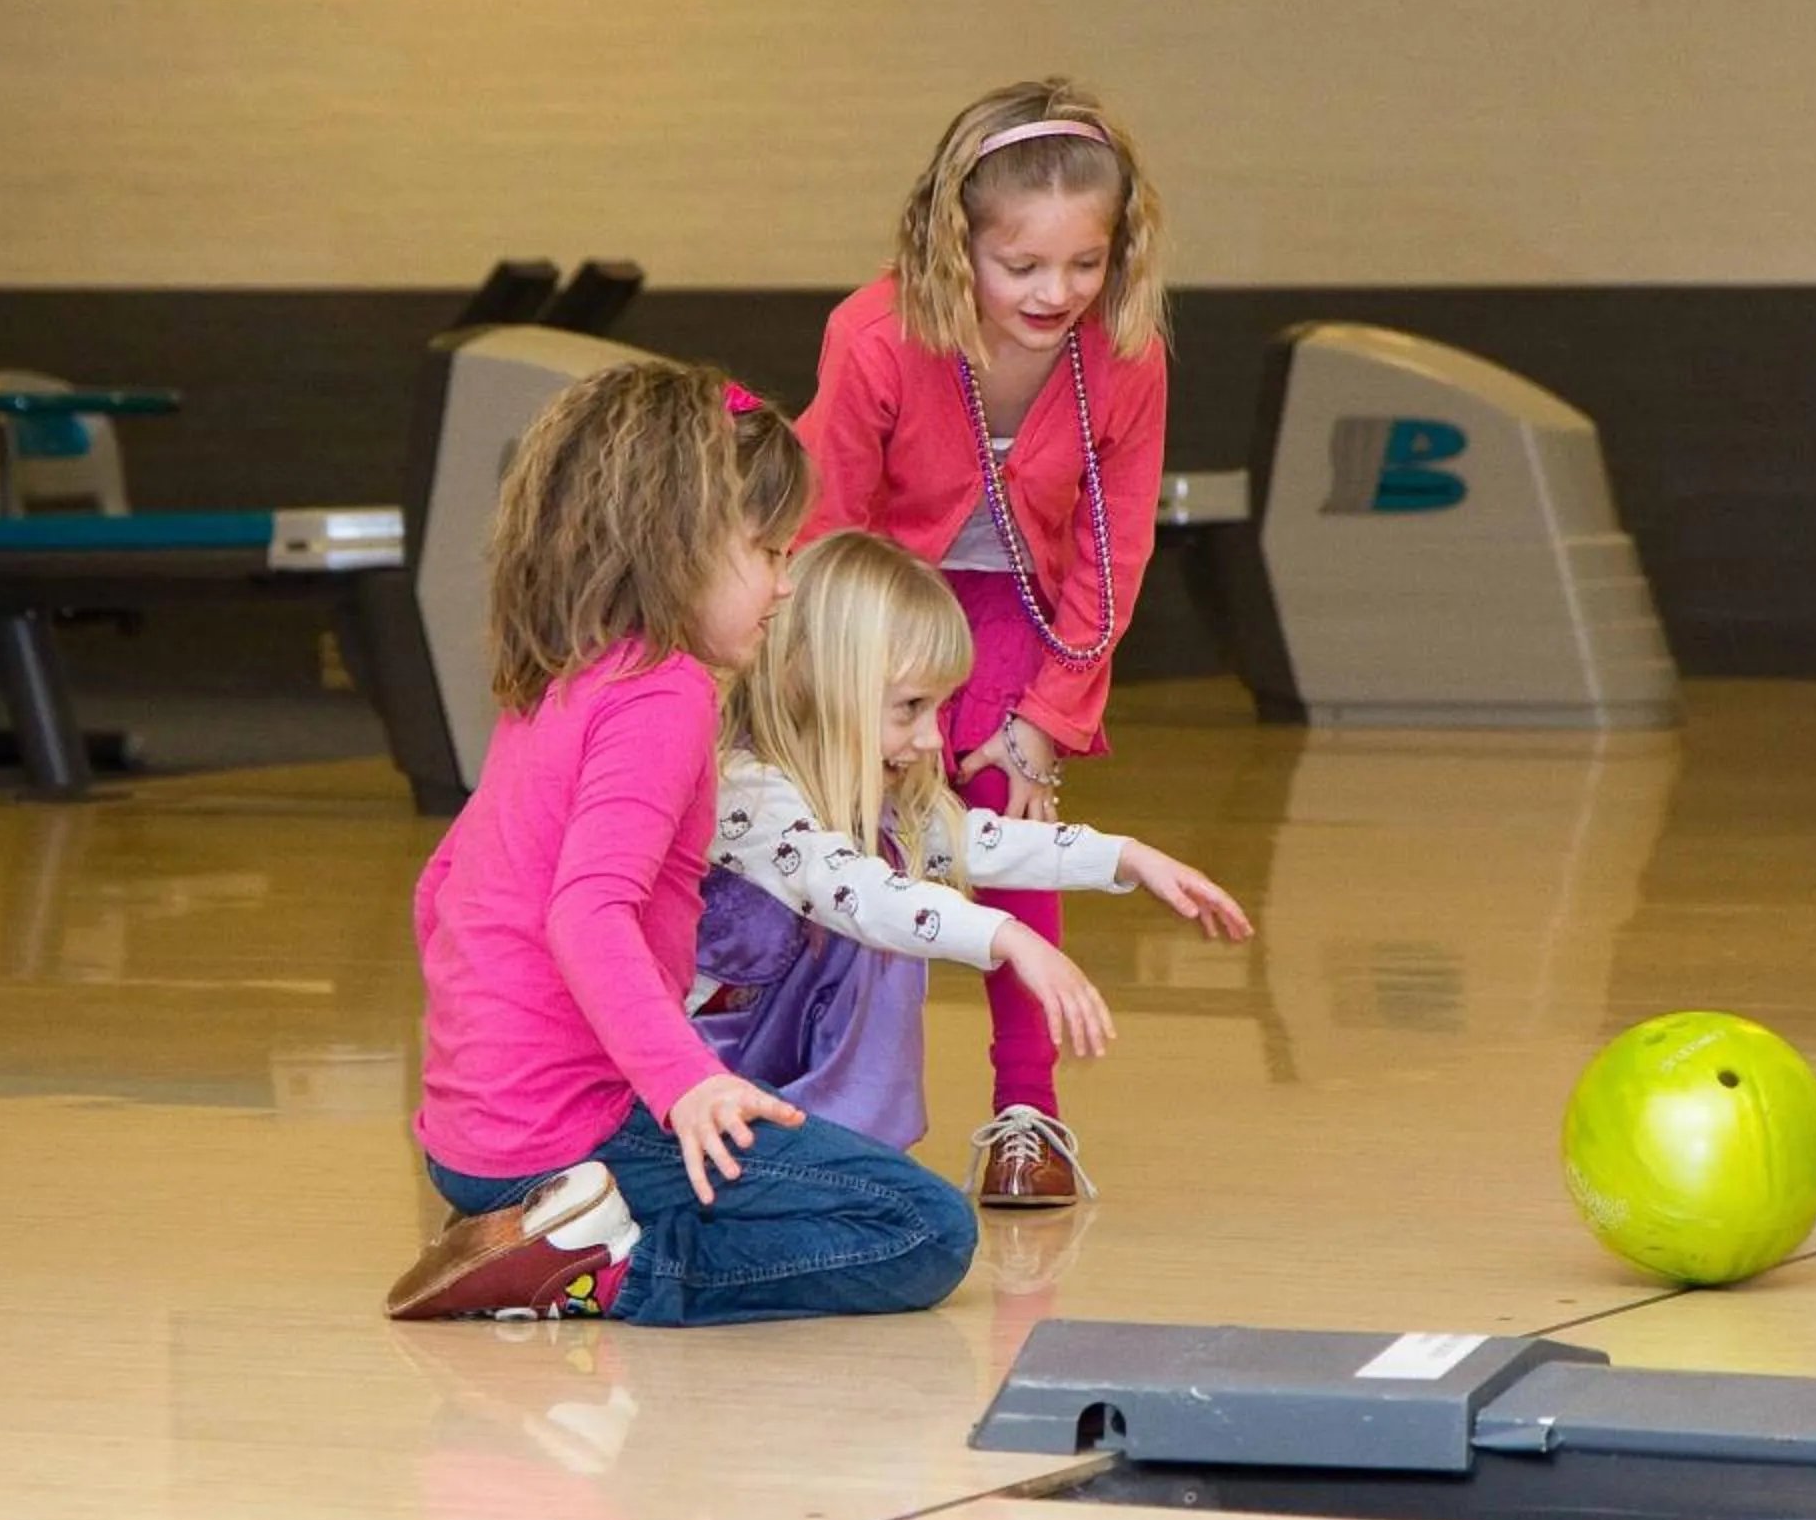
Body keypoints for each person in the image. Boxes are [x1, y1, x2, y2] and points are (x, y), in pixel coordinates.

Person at [382, 363, 977, 1326]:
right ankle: (601, 1272)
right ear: (677, 546)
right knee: (923, 1227)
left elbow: (442, 885)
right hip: (577, 1137)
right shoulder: (667, 693)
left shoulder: (558, 683)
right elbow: (588, 912)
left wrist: (481, 1078)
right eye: (770, 552)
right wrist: (685, 1083)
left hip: (468, 1144)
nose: (786, 584)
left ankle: (554, 1232)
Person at [799, 75, 1170, 1207]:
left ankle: (1029, 1112)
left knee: (1010, 832)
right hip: (875, 614)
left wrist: (1048, 719)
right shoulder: (873, 335)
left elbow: (1117, 553)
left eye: (1086, 263)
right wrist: (844, 698)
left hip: (1021, 610)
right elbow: (827, 526)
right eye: (1023, 267)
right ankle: (828, 1112)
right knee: (853, 849)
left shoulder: (1128, 354)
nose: (1057, 292)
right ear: (954, 242)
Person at [690, 532, 1249, 1180]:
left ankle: (840, 1157)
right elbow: (858, 893)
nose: (933, 740)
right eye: (909, 709)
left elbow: (977, 840)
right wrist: (1008, 936)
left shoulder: (869, 796)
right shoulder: (748, 791)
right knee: (886, 921)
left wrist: (1126, 858)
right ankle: (833, 1163)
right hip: (696, 1088)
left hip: (760, 1091)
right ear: (813, 684)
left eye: (940, 708)